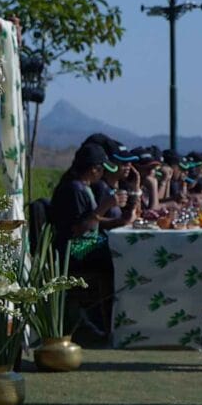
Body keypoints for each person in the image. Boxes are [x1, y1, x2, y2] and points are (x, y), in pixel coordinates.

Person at [45, 144, 133, 337]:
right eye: (102, 169)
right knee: (118, 254)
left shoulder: (84, 187)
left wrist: (119, 221)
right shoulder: (74, 189)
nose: (103, 174)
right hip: (73, 250)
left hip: (85, 244)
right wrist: (105, 206)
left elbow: (94, 222)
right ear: (94, 169)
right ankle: (107, 318)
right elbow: (78, 229)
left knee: (119, 248)